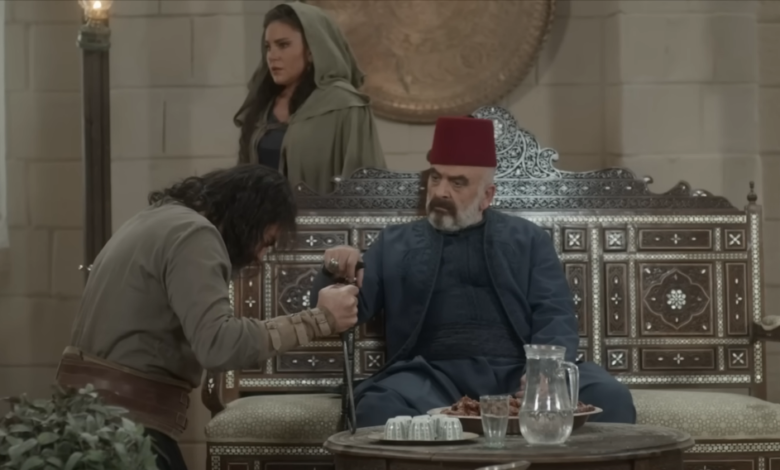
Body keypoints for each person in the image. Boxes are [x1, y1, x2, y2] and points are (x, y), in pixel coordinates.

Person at [311, 116, 637, 427]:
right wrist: (335, 268)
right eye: (436, 178)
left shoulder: (527, 239)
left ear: (487, 196)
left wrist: (547, 371)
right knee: (378, 407)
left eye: (458, 183)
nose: (441, 191)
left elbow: (554, 312)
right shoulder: (395, 242)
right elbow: (344, 310)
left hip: (517, 373)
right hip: (431, 377)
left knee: (610, 398)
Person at [55, 165, 360, 470]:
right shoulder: (194, 234)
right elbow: (218, 345)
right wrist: (319, 319)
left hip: (92, 419)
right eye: (267, 242)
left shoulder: (156, 219)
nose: (260, 256)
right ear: (249, 216)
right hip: (126, 428)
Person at [235, 2, 386, 195]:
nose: (272, 56)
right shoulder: (262, 106)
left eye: (283, 45)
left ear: (312, 50)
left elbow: (366, 183)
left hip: (320, 215)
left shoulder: (344, 106)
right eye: (268, 47)